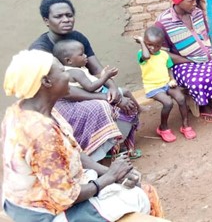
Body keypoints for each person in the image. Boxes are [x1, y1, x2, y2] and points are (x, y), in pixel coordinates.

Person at [2, 49, 163, 221]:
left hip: (30, 200)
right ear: (46, 81)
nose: (69, 77)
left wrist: (111, 173)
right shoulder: (41, 133)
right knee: (142, 196)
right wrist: (110, 177)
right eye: (63, 71)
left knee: (134, 190)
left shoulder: (23, 110)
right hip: (45, 213)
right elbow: (66, 197)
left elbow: (73, 152)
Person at [30, 0, 140, 161]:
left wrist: (112, 89)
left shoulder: (78, 38)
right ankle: (91, 157)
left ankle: (111, 146)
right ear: (46, 20)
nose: (65, 20)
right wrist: (106, 97)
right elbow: (64, 92)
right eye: (58, 16)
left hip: (82, 90)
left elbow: (96, 68)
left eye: (69, 15)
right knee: (101, 107)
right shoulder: (40, 50)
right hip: (54, 101)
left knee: (122, 97)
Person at [135, 26, 192, 142]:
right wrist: (141, 42)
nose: (153, 48)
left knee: (181, 98)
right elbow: (146, 56)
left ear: (162, 44)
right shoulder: (142, 53)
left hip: (166, 83)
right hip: (152, 87)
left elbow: (169, 68)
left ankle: (185, 125)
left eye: (157, 46)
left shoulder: (164, 55)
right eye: (149, 44)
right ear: (145, 42)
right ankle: (163, 128)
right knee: (168, 103)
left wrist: (172, 79)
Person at [52, 39, 140, 110]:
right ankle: (135, 111)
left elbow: (89, 79)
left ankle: (138, 109)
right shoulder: (76, 72)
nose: (86, 56)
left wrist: (101, 75)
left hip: (100, 92)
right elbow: (90, 87)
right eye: (81, 54)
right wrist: (106, 76)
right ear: (69, 61)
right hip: (99, 94)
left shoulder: (77, 68)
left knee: (125, 92)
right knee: (125, 93)